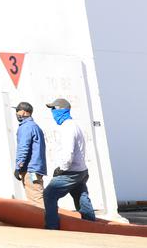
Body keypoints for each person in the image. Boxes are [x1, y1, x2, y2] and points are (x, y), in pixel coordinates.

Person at [42, 97, 96, 230]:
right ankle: (92, 226)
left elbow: (68, 152)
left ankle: (52, 227)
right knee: (81, 196)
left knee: (49, 194)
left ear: (61, 110)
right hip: (81, 170)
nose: (52, 112)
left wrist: (62, 169)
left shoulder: (67, 128)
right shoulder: (74, 126)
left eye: (53, 109)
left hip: (70, 172)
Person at [11, 101, 47, 206]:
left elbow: (23, 148)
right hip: (36, 169)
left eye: (18, 110)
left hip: (30, 170)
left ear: (23, 112)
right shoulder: (34, 126)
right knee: (38, 196)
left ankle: (47, 217)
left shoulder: (26, 127)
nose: (16, 113)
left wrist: (18, 167)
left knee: (36, 199)